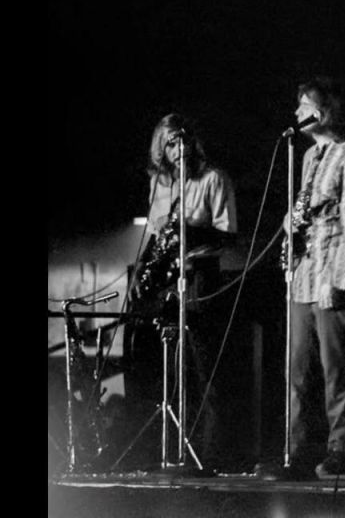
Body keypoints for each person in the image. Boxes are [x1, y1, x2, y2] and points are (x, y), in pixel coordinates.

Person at [267, 76, 345, 480]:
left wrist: (340, 281)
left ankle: (340, 448)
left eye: (304, 105)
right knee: (297, 369)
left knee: (335, 370)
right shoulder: (308, 158)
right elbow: (302, 210)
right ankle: (296, 449)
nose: (297, 113)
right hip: (303, 274)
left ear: (322, 110)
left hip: (330, 275)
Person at [127, 112, 238, 470]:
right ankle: (168, 449)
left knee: (203, 367)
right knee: (169, 369)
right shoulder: (160, 184)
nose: (177, 150)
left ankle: (208, 453)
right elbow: (157, 237)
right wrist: (141, 273)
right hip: (166, 279)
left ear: (193, 142)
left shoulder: (214, 179)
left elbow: (228, 235)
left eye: (181, 141)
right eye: (169, 144)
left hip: (200, 274)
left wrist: (188, 231)